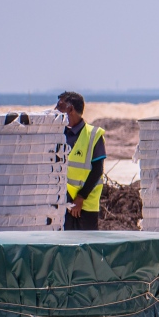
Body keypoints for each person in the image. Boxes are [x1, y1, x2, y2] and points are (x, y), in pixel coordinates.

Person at [57, 91, 107, 231]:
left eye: (59, 106)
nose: (56, 110)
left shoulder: (93, 135)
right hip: (62, 203)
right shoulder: (58, 134)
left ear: (70, 109)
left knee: (86, 248)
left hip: (85, 204)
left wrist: (80, 198)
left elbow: (97, 170)